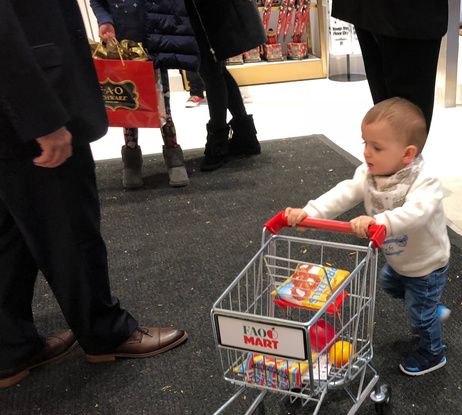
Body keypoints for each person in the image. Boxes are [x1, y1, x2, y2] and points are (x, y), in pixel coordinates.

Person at [0, 0, 188, 389]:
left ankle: (10, 347)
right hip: (31, 99)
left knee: (11, 234)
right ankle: (105, 332)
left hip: (15, 105)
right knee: (68, 224)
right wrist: (42, 118)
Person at [284, 98, 450, 376]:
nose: (366, 152)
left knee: (420, 317)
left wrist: (378, 221)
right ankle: (429, 306)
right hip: (399, 262)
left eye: (377, 147)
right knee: (389, 283)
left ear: (407, 154)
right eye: (365, 143)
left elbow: (417, 213)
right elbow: (343, 193)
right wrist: (309, 213)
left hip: (426, 266)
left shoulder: (425, 181)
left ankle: (433, 353)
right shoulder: (368, 175)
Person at [90, 0, 199, 189]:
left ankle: (173, 157)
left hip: (153, 41)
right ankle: (131, 161)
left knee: (162, 105)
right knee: (127, 106)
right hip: (121, 44)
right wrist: (105, 21)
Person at [331, 0, 448, 131]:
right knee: (401, 115)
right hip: (404, 13)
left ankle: (387, 142)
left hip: (383, 11)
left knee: (394, 113)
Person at [185, 0, 266, 171]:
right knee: (215, 69)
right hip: (212, 12)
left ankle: (218, 144)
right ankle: (245, 137)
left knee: (211, 70)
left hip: (209, 13)